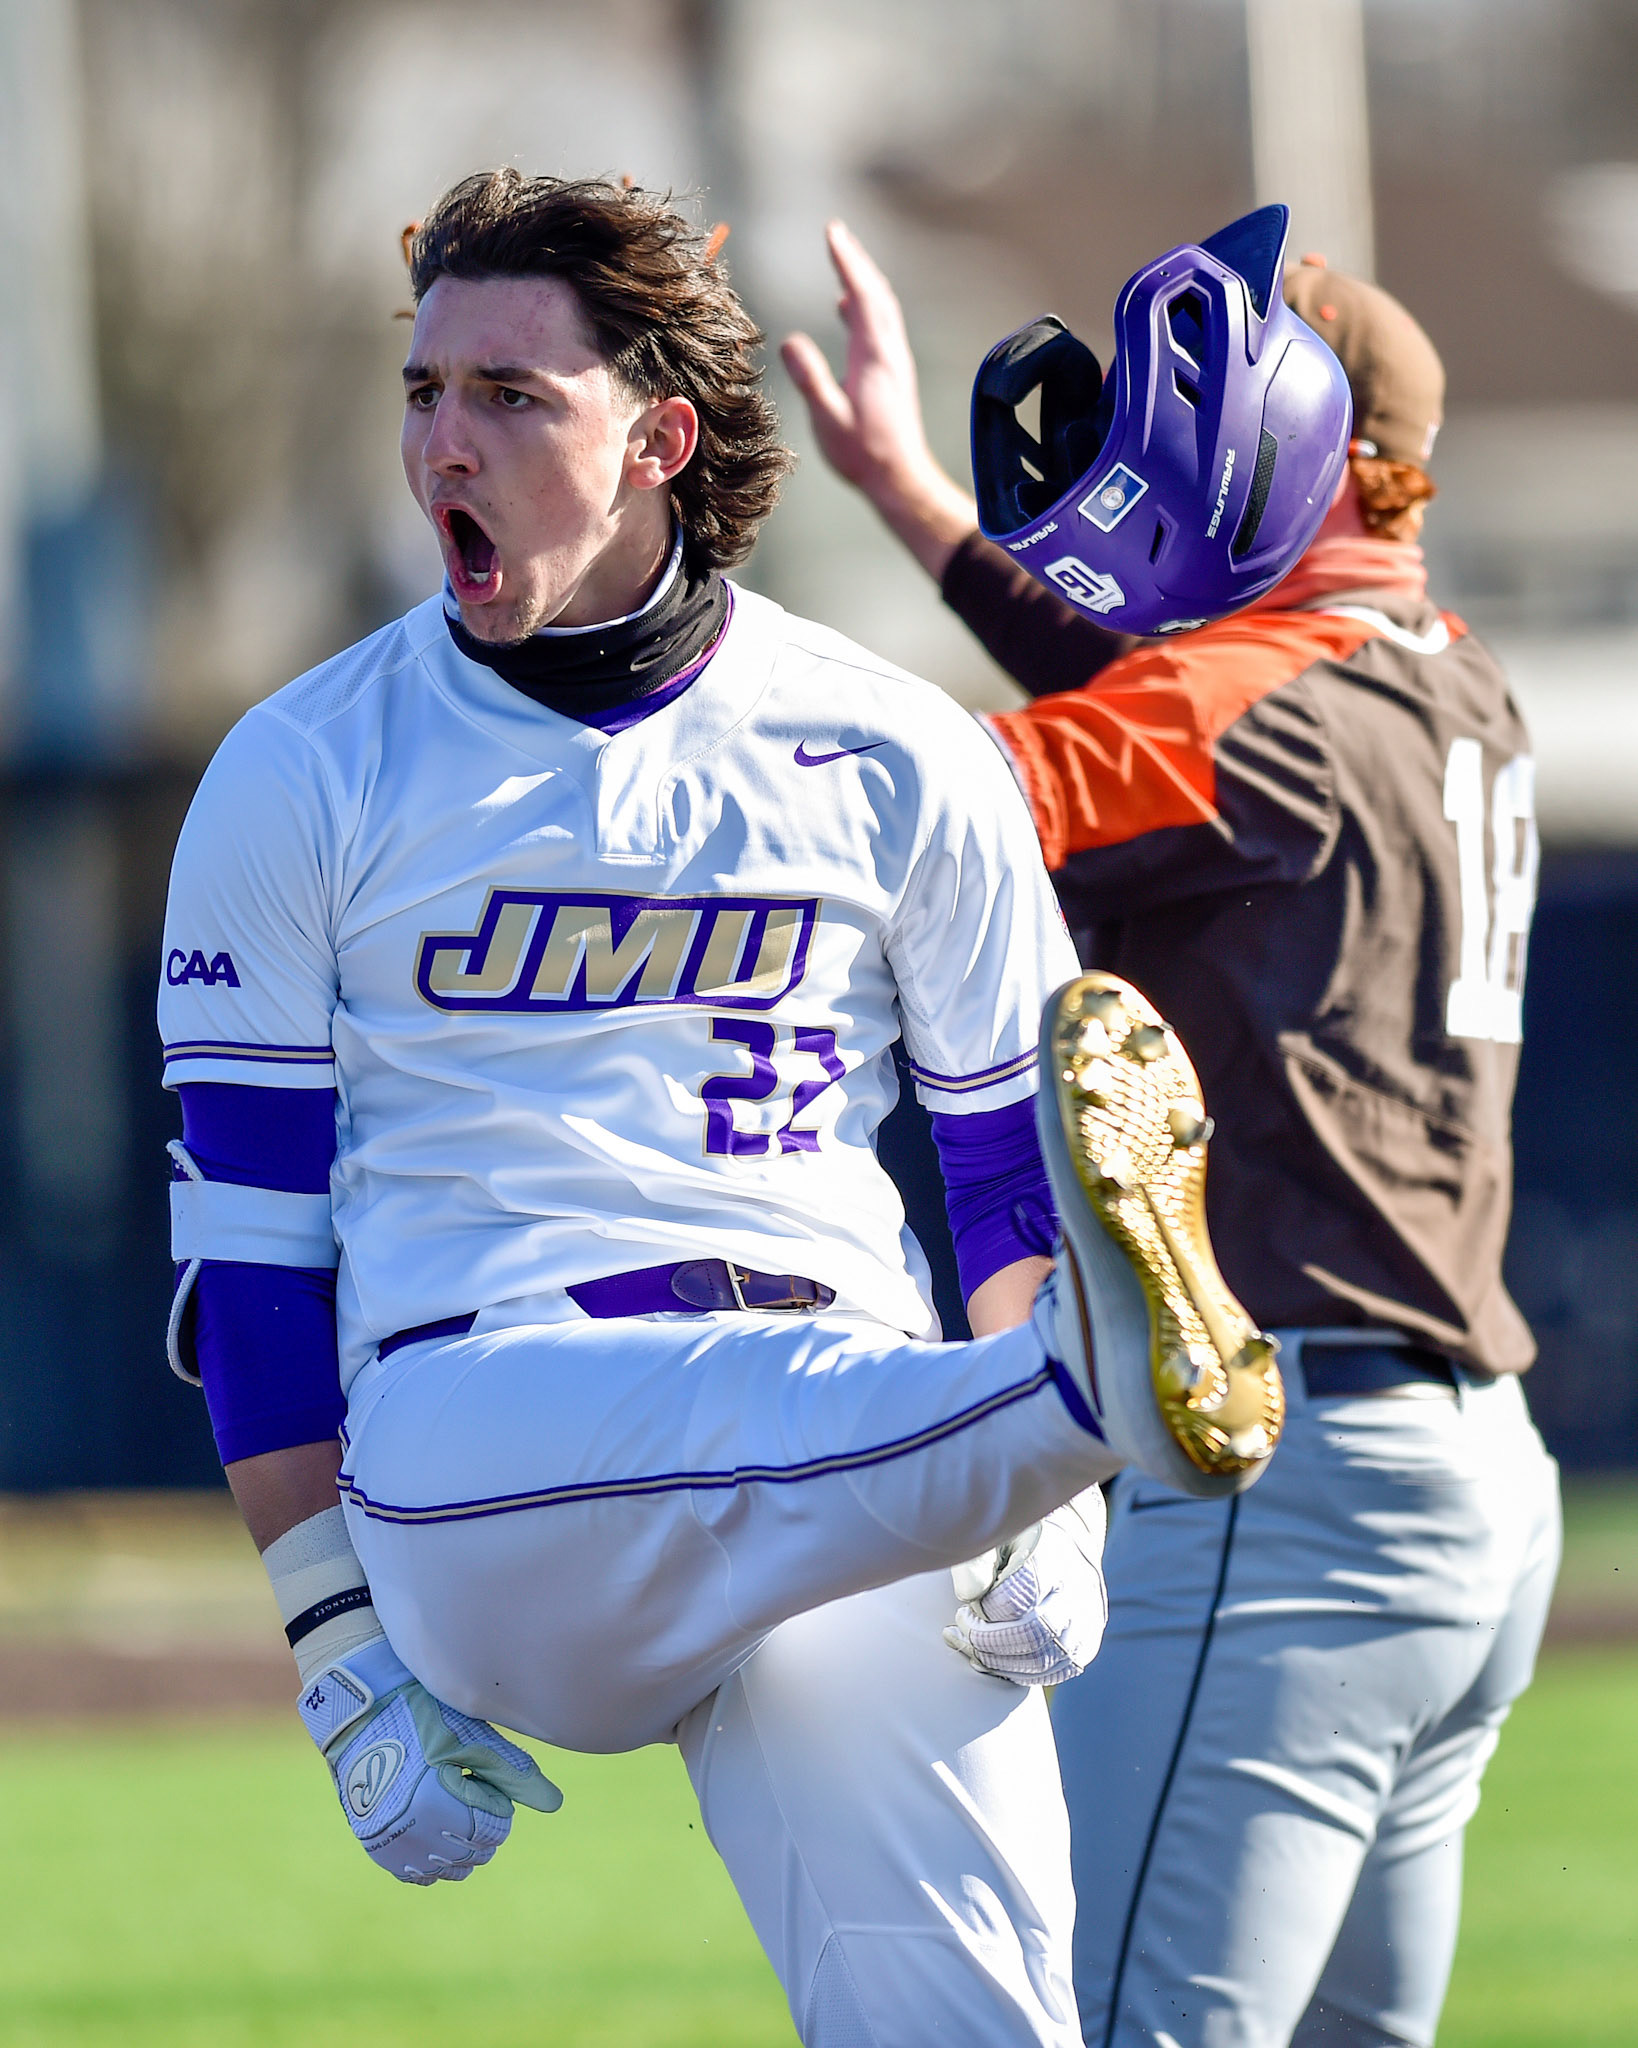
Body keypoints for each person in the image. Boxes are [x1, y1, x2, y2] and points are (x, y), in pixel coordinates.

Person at [158, 171, 1296, 2048]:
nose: (444, 442)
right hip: (490, 1444)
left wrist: (1043, 1524)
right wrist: (336, 1644)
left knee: (974, 2022)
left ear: (659, 441)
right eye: (425, 391)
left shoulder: (900, 748)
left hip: (864, 1424)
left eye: (509, 395)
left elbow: (1009, 1181)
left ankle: (1044, 1429)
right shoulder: (300, 773)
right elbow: (252, 1268)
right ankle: (1079, 1406)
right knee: (858, 1405)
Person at [786, 223, 1562, 2048]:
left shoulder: (1249, 711)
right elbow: (1178, 710)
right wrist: (913, 504)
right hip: (1470, 1490)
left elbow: (967, 791)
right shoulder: (1455, 677)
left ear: (1311, 448)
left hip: (1281, 1495)